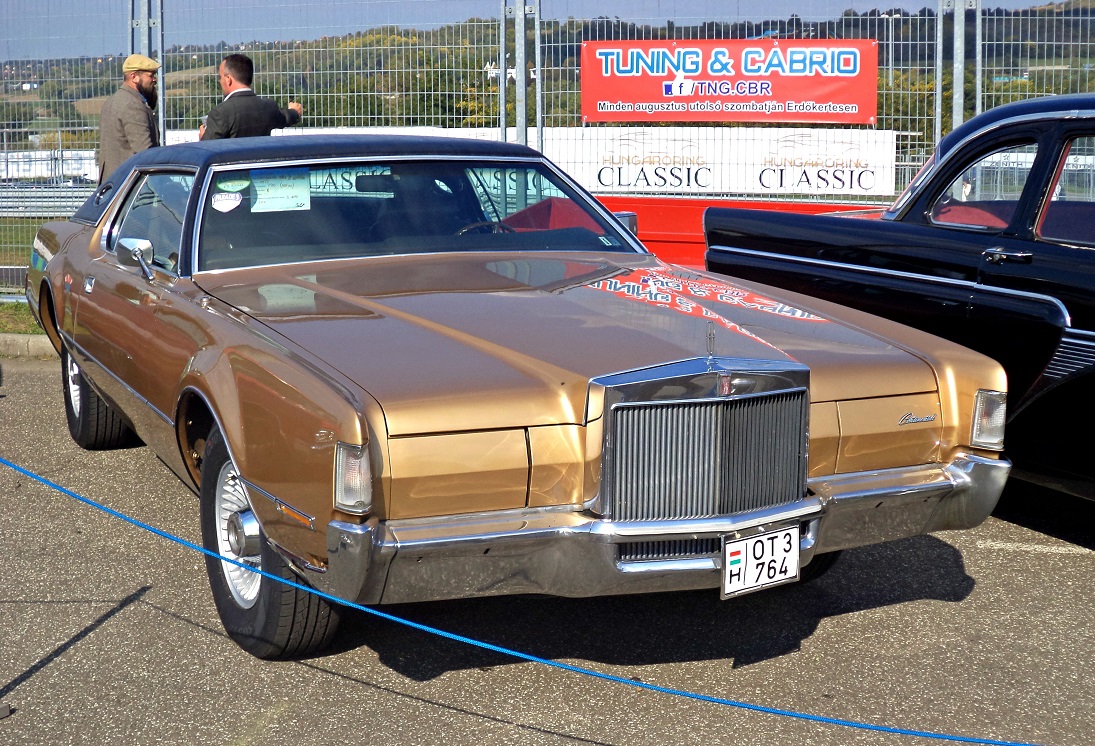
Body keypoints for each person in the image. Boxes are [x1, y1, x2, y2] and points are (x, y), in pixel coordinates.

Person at [199, 53, 303, 140]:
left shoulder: (220, 113)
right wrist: (295, 111)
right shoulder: (268, 107)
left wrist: (203, 138)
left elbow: (207, 149)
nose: (219, 81)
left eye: (220, 77)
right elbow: (286, 117)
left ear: (228, 79)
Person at [97, 53, 160, 184]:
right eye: (150, 75)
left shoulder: (113, 100)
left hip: (114, 182)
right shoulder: (133, 105)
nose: (155, 80)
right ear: (134, 77)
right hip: (130, 186)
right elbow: (146, 153)